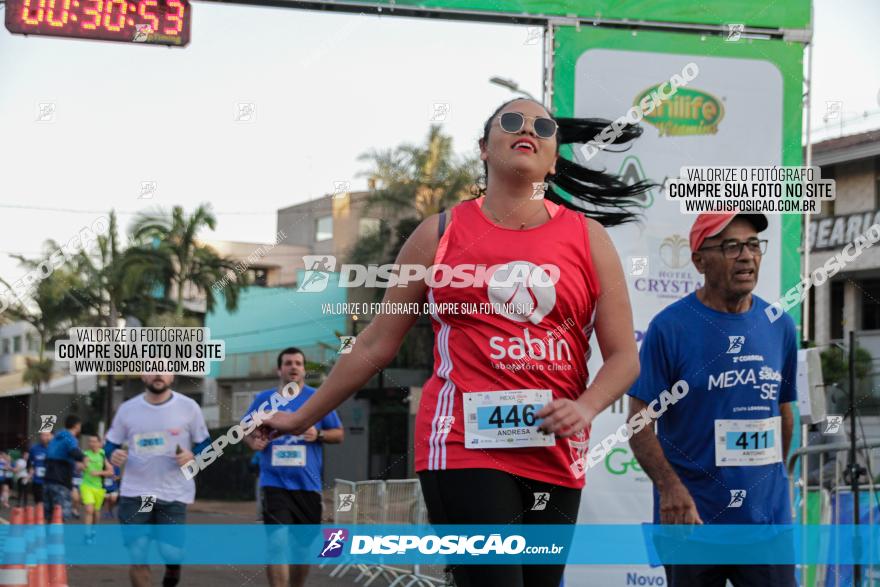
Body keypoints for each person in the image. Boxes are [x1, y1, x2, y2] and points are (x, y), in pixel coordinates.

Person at [259, 98, 649, 586]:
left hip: (554, 449)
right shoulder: (439, 234)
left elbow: (624, 357)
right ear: (484, 149)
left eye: (543, 126)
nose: (526, 128)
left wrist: (587, 406)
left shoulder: (588, 238)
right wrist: (300, 417)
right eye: (511, 121)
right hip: (464, 444)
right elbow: (376, 343)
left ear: (553, 159)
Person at [627, 212, 797, 587]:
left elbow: (784, 411)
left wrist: (773, 484)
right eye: (731, 246)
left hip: (765, 524)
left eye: (753, 245)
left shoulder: (779, 325)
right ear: (699, 260)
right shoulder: (669, 328)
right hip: (692, 523)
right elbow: (638, 421)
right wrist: (670, 488)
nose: (746, 256)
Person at [243, 347, 344, 587]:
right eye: (288, 363)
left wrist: (318, 433)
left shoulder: (316, 398)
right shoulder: (263, 400)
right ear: (280, 369)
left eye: (298, 363)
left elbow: (338, 435)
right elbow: (244, 431)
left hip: (307, 485)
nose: (294, 367)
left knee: (301, 549)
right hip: (274, 482)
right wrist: (253, 441)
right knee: (276, 542)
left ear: (304, 369)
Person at [105, 372, 211, 587]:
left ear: (172, 376)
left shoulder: (189, 407)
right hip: (137, 493)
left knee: (170, 551)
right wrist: (111, 454)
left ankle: (173, 567)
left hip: (173, 492)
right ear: (143, 376)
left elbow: (205, 445)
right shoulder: (128, 409)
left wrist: (193, 456)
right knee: (138, 553)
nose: (158, 374)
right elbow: (111, 444)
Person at [43, 415, 86, 521]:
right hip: (61, 481)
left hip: (47, 480)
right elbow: (74, 452)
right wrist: (84, 458)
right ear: (77, 426)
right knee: (60, 516)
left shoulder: (56, 437)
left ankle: (48, 537)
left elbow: (52, 456)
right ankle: (57, 537)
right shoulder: (70, 437)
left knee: (49, 515)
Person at [81, 435, 113, 542]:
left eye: (94, 442)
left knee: (96, 512)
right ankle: (87, 534)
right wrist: (82, 465)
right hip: (86, 485)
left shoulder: (102, 455)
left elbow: (111, 472)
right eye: (90, 441)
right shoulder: (85, 454)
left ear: (100, 443)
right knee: (89, 510)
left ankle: (94, 529)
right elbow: (79, 467)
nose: (92, 444)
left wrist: (99, 473)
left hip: (98, 487)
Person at [27, 432, 51, 506]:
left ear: (51, 436)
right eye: (43, 435)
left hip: (51, 482)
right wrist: (30, 469)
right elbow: (29, 462)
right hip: (38, 481)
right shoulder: (34, 448)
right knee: (39, 504)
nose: (44, 437)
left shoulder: (55, 449)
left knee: (50, 504)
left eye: (47, 435)